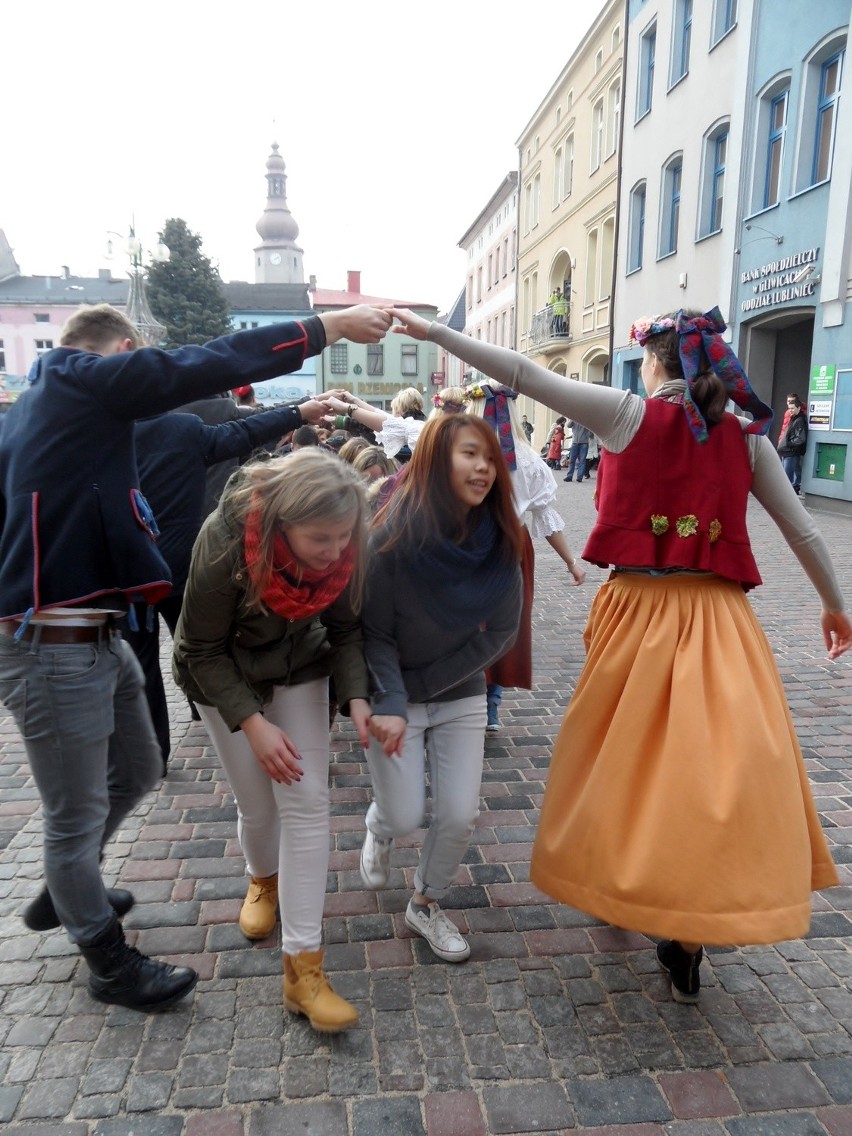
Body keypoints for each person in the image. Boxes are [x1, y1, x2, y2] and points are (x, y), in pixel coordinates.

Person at [389, 305, 851, 1003]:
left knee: (621, 763)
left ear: (656, 364)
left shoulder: (629, 416)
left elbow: (521, 374)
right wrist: (835, 606)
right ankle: (688, 934)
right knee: (704, 774)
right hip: (721, 618)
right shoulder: (748, 439)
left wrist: (435, 333)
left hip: (637, 611)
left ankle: (625, 886)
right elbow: (806, 534)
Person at [0, 300, 391, 1014]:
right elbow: (199, 366)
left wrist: (298, 411)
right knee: (72, 812)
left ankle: (74, 880)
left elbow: (227, 433)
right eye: (138, 362)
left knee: (142, 768)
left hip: (102, 630)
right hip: (54, 638)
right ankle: (104, 954)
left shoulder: (60, 423)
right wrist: (327, 328)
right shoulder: (77, 383)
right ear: (120, 352)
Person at [172, 449, 372, 1033]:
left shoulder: (345, 545)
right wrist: (253, 725)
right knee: (258, 806)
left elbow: (346, 629)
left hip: (300, 669)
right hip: (221, 673)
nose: (336, 551)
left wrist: (356, 696)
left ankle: (302, 973)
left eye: (344, 537)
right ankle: (264, 880)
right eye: (321, 539)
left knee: (307, 806)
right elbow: (198, 649)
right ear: (283, 520)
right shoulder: (227, 538)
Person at [359, 415, 523, 961]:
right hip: (394, 697)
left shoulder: (499, 541)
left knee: (458, 813)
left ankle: (426, 902)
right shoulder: (391, 537)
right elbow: (375, 633)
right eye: (469, 454)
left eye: (489, 458)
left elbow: (501, 633)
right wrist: (395, 700)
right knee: (405, 814)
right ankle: (381, 823)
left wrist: (429, 684)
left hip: (458, 693)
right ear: (433, 460)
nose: (483, 468)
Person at [130, 398, 333, 771]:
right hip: (188, 557)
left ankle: (155, 753)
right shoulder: (191, 424)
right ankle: (201, 707)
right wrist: (300, 410)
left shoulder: (117, 432)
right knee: (197, 641)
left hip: (138, 571)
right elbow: (248, 427)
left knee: (149, 663)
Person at [464, 379, 586, 733]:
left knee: (465, 621)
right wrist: (570, 562)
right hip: (510, 546)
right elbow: (545, 517)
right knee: (503, 624)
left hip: (465, 544)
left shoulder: (458, 450)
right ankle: (490, 705)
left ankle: (468, 700)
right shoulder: (529, 459)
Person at [777, 394, 808, 495]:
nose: (790, 410)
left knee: (788, 475)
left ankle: (789, 493)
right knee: (786, 474)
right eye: (789, 408)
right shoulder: (793, 418)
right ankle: (788, 492)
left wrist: (789, 443)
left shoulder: (799, 420)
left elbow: (800, 438)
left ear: (798, 408)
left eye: (792, 408)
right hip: (787, 450)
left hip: (791, 451)